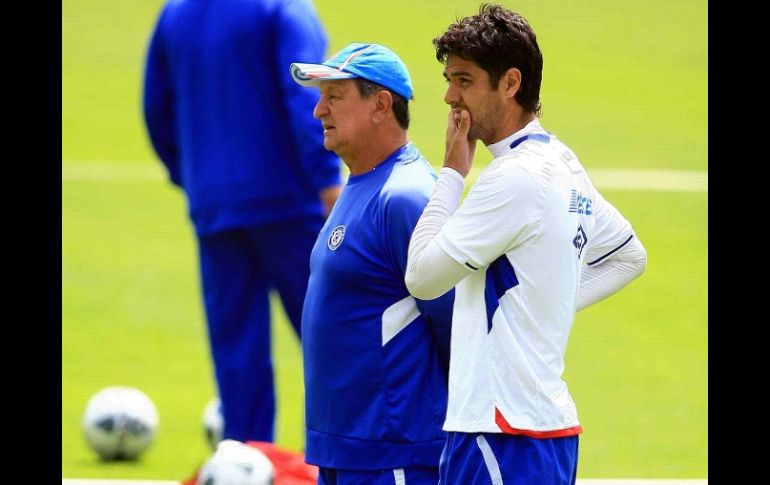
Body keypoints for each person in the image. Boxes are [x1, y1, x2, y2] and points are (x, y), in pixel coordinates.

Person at [405, 4, 648, 484]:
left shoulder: (513, 179)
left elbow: (423, 276)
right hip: (541, 430)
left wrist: (452, 173)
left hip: (500, 431)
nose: (450, 96)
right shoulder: (562, 163)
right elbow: (628, 256)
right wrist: (546, 303)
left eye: (464, 80)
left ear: (510, 83)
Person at [142, 0, 342, 443]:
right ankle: (350, 461)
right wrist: (327, 179)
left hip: (215, 207)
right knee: (333, 339)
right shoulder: (282, 9)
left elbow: (155, 108)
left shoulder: (175, 13)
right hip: (291, 205)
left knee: (237, 354)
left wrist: (195, 176)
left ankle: (246, 463)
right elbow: (307, 96)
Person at [289, 43, 454, 485]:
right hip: (347, 448)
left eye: (335, 97)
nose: (318, 111)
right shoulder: (361, 185)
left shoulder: (406, 197)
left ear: (381, 104)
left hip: (393, 453)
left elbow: (458, 325)